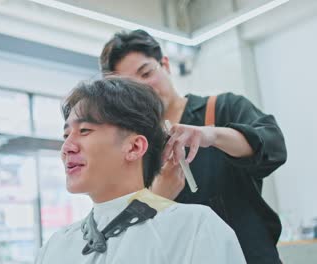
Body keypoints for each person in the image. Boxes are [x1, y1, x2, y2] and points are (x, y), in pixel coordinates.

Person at [99, 29, 287, 264]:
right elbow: (127, 230)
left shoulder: (221, 108)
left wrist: (211, 135)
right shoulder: (135, 150)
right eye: (131, 86)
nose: (144, 90)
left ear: (165, 64)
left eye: (146, 73)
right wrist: (158, 196)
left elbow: (273, 144)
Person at [35, 78, 246, 263]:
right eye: (65, 135)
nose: (67, 147)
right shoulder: (56, 246)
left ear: (135, 147)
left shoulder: (194, 229)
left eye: (84, 131)